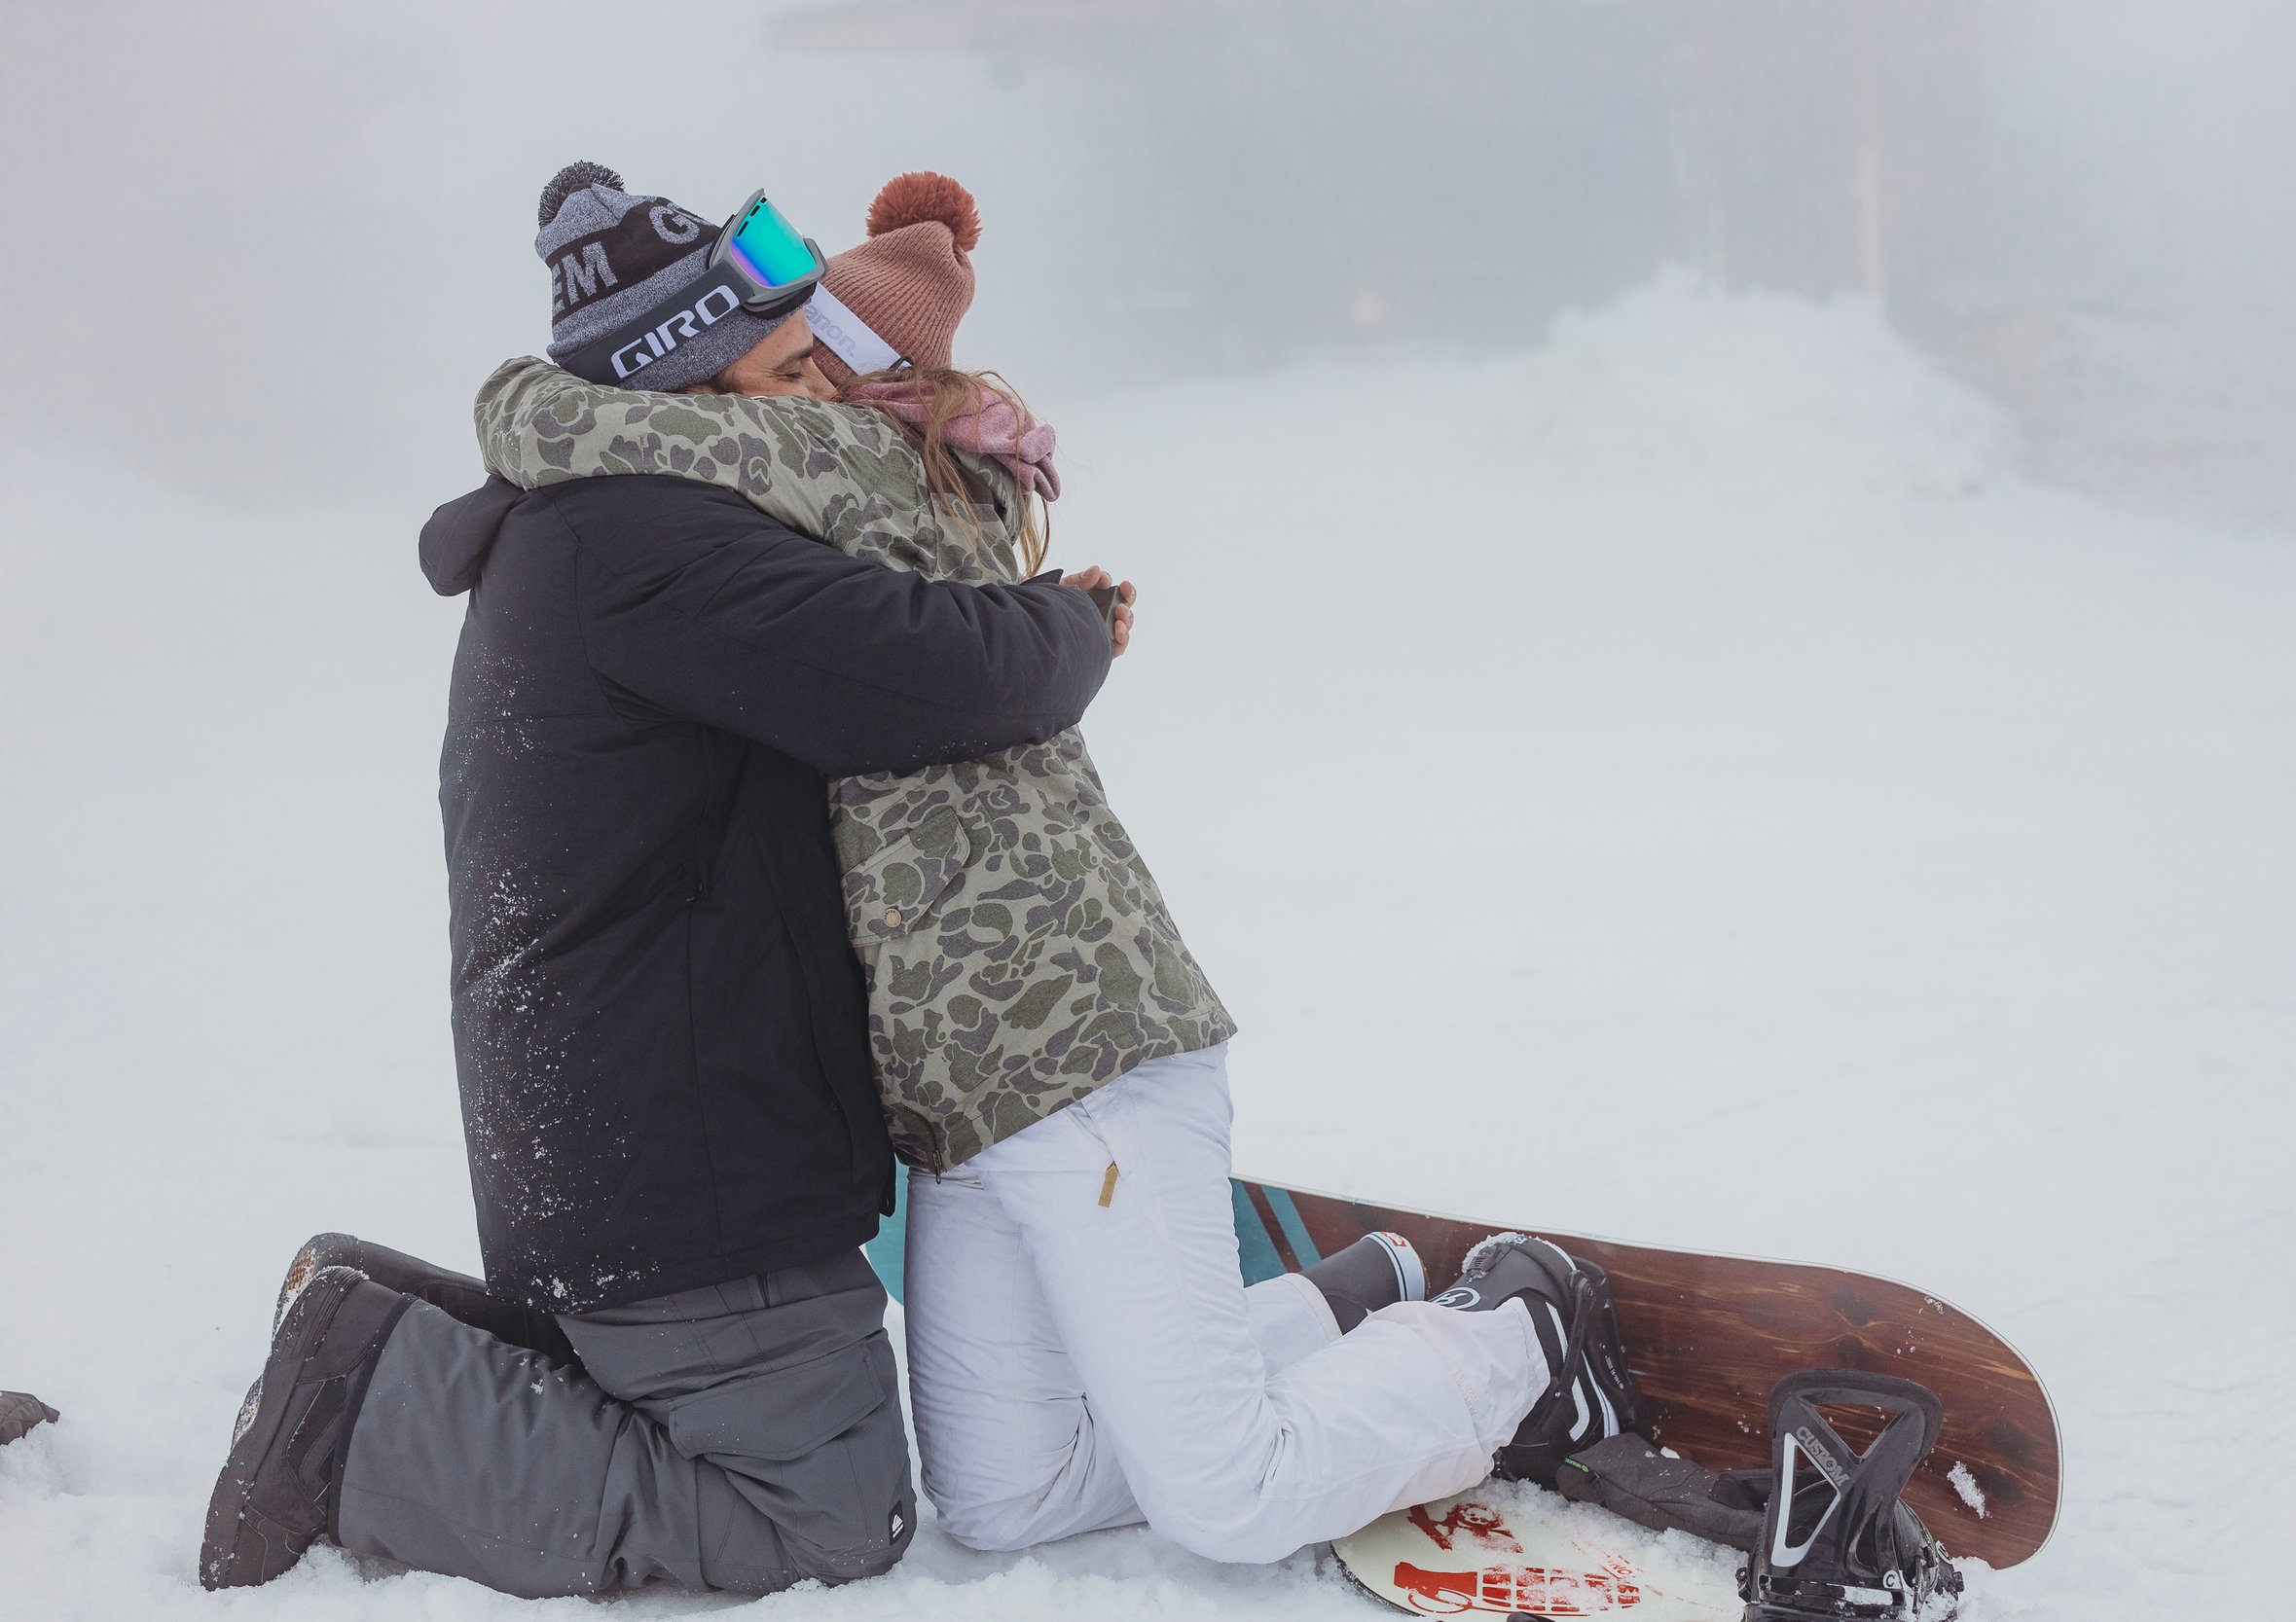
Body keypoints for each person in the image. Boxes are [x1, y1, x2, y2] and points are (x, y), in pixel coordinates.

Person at [473, 166, 1643, 1567]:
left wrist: (896, 341)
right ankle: (1355, 1306)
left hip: (1076, 1041)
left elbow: (893, 469)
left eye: (827, 370)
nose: (818, 397)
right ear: (701, 392)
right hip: (960, 1087)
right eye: (789, 373)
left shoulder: (866, 486)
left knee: (1232, 1498)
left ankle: (1527, 1344)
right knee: (1005, 1498)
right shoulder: (754, 517)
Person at [197, 163, 1124, 1598]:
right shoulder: (648, 537)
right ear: (682, 368)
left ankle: (378, 1334)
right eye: (785, 352)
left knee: (758, 1455)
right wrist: (1061, 626)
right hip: (681, 1149)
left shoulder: (599, 522)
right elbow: (929, 673)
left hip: (630, 1131)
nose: (818, 380)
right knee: (825, 1518)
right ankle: (362, 1412)